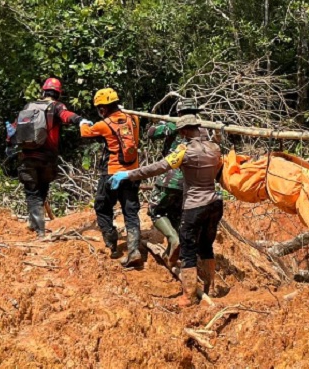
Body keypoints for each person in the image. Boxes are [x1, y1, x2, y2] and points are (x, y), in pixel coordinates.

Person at [110, 114, 223, 307]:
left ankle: (188, 296)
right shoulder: (214, 148)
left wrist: (128, 174)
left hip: (195, 205)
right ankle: (210, 288)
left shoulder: (184, 151)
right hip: (215, 203)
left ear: (184, 131)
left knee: (188, 250)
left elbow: (158, 168)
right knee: (206, 246)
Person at [7, 77, 89, 238]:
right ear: (58, 94)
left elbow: (14, 128)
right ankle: (38, 228)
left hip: (28, 157)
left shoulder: (29, 106)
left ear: (43, 91)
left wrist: (9, 144)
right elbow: (66, 115)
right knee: (42, 188)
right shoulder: (56, 106)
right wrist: (80, 120)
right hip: (47, 158)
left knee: (32, 193)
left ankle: (37, 228)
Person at [80, 88, 142, 267]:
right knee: (131, 212)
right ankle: (134, 250)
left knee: (102, 206)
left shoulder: (103, 124)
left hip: (112, 172)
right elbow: (135, 140)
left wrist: (83, 123)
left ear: (103, 108)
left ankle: (111, 242)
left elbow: (85, 133)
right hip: (132, 172)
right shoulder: (134, 118)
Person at [144, 98, 202, 268]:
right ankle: (174, 251)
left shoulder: (173, 125)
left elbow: (151, 133)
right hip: (191, 181)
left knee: (155, 211)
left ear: (179, 113)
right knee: (177, 215)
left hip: (170, 178)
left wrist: (161, 122)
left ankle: (173, 238)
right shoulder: (203, 129)